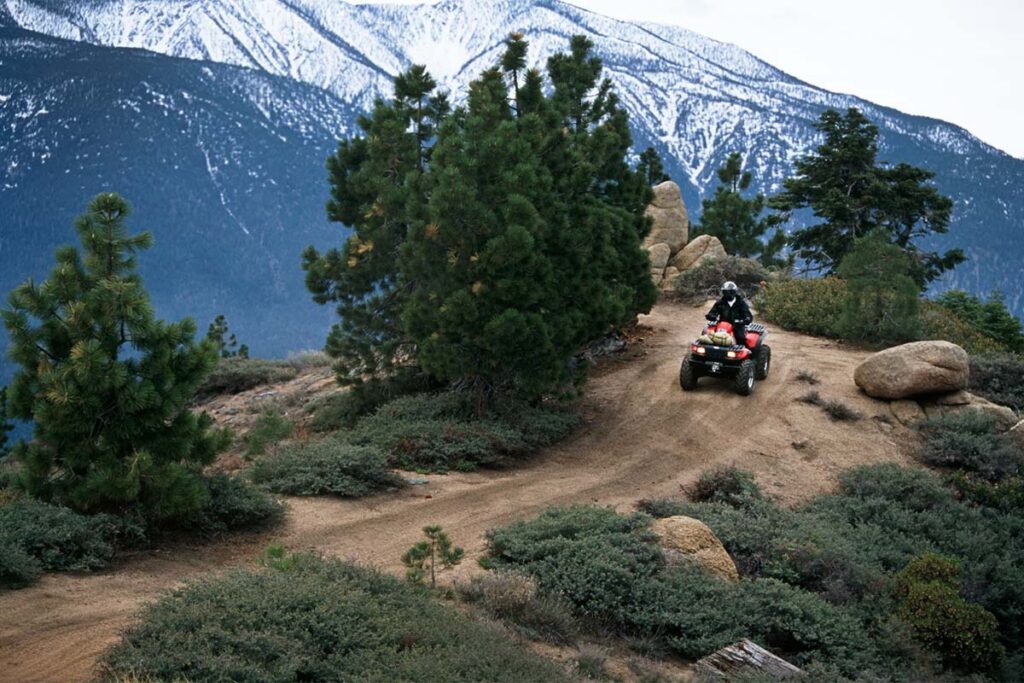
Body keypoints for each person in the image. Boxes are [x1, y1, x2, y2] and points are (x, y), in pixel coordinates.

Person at [706, 281, 752, 347]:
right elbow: (712, 312)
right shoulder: (720, 303)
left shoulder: (741, 303)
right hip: (722, 324)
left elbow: (747, 314)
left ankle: (745, 353)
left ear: (733, 292)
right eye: (725, 292)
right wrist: (711, 316)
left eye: (729, 292)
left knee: (740, 338)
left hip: (737, 325)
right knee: (709, 336)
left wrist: (746, 319)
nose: (727, 294)